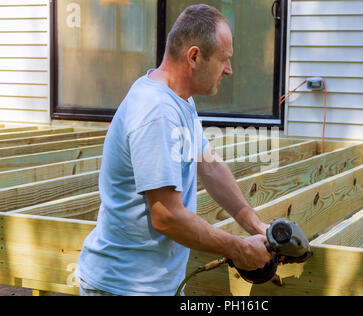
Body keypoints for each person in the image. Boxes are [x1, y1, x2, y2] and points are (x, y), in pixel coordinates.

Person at [76, 4, 271, 296]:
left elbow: (209, 164)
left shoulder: (180, 100)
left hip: (153, 285)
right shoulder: (156, 111)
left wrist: (256, 225)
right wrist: (239, 248)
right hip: (124, 287)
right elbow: (166, 215)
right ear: (194, 56)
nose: (229, 70)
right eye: (224, 60)